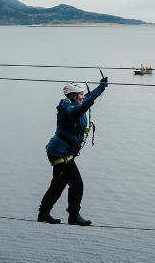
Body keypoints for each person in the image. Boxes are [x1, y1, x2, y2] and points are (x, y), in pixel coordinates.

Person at [38, 77, 108, 226]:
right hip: (61, 153)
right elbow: (75, 113)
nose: (83, 96)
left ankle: (43, 213)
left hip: (60, 151)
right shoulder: (67, 109)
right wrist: (86, 104)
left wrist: (101, 87)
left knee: (58, 184)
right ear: (73, 95)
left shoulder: (78, 102)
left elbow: (90, 97)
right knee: (77, 184)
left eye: (83, 94)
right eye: (81, 94)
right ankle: (73, 216)